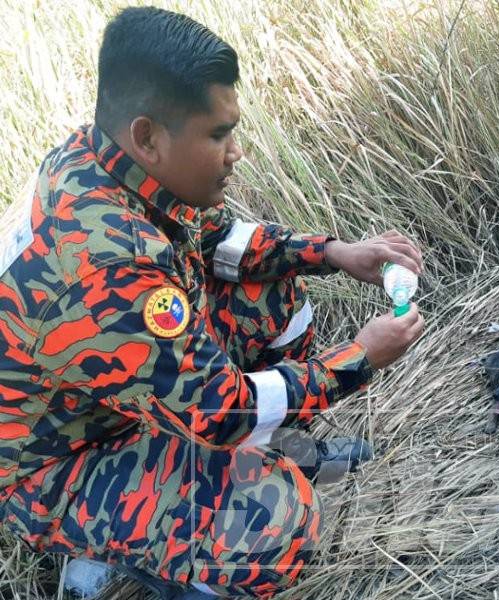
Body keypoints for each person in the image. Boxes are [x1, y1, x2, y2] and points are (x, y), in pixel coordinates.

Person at [0, 6, 424, 599]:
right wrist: (361, 357)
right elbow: (222, 415)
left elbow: (218, 238)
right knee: (275, 520)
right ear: (148, 136)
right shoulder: (107, 266)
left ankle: (265, 455)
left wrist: (332, 253)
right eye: (219, 135)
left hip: (117, 400)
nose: (236, 152)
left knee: (272, 287)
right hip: (60, 460)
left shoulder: (102, 157)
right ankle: (117, 561)